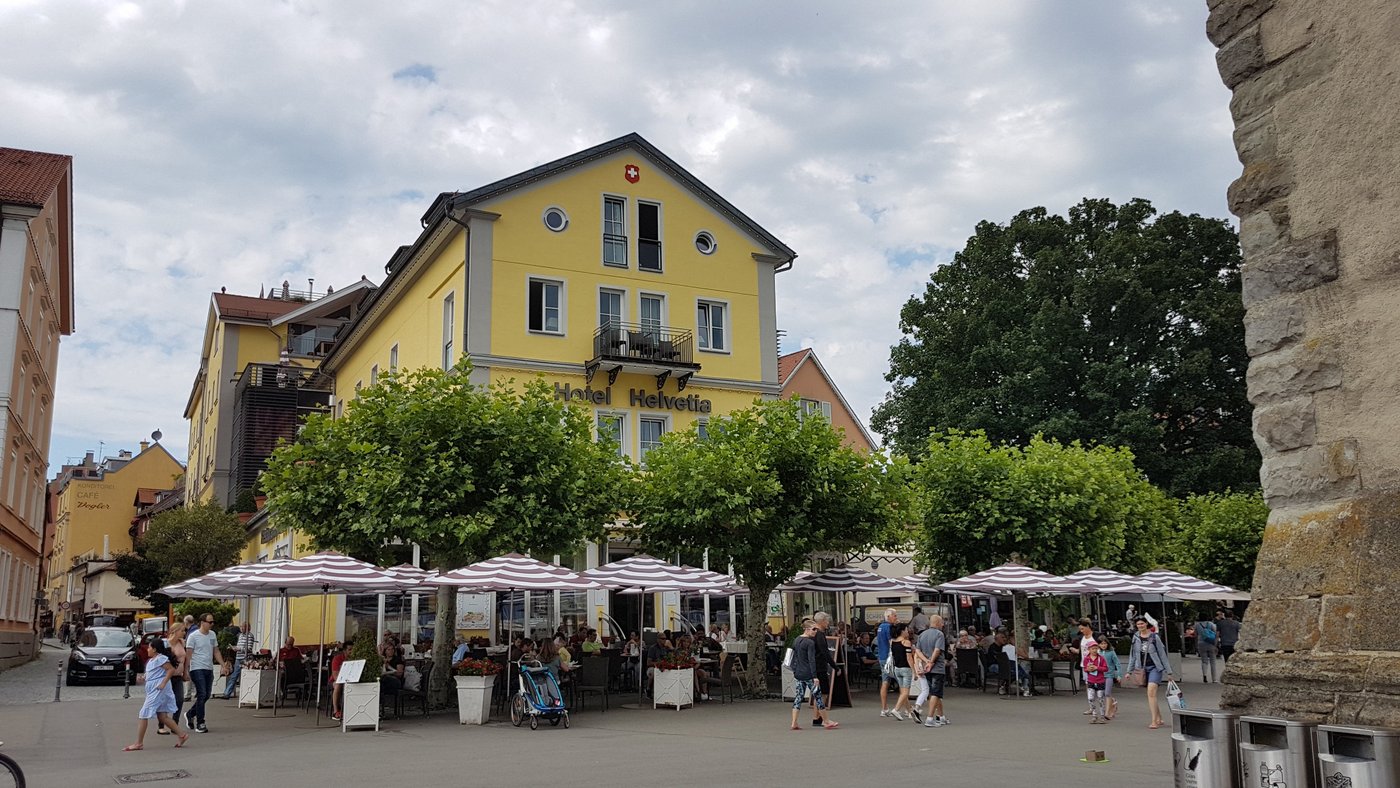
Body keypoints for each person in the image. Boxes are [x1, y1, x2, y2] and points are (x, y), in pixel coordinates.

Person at [124, 638, 190, 751]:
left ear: (154, 649)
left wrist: (163, 683)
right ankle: (182, 735)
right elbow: (153, 673)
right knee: (162, 716)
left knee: (143, 714)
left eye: (149, 647)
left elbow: (170, 670)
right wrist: (144, 677)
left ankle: (139, 743)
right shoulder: (152, 660)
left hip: (158, 689)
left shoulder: (161, 659)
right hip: (155, 688)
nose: (148, 649)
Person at [789, 619, 838, 730]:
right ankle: (826, 721)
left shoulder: (796, 640)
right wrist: (815, 676)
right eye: (814, 629)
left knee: (798, 697)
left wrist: (795, 670)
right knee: (819, 697)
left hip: (799, 673)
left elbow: (793, 656)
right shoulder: (810, 642)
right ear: (807, 629)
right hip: (809, 674)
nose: (816, 631)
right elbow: (812, 660)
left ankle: (794, 722)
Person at [1126, 616, 1173, 729]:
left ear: (1147, 624)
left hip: (1155, 668)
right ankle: (1159, 717)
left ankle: (1154, 721)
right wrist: (1129, 670)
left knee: (1151, 692)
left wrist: (1169, 672)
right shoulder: (1135, 637)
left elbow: (1162, 655)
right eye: (1138, 624)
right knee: (1151, 695)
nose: (1140, 626)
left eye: (1142, 623)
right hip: (1142, 668)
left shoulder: (1154, 637)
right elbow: (1133, 654)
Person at [184, 614, 224, 734]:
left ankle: (190, 714)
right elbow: (188, 654)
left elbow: (215, 650)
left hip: (208, 667)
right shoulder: (193, 636)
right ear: (202, 622)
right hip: (197, 668)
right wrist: (185, 670)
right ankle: (200, 722)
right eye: (210, 622)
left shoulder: (212, 635)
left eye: (213, 622)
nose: (212, 624)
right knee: (202, 693)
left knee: (206, 695)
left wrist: (222, 664)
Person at [915, 613, 948, 727]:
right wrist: (932, 661)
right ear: (938, 623)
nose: (943, 624)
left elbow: (917, 651)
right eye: (942, 622)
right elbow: (937, 650)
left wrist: (926, 661)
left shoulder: (922, 634)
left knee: (935, 692)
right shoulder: (940, 634)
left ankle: (941, 717)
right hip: (937, 667)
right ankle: (930, 718)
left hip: (926, 667)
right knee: (935, 692)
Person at [807, 612, 840, 726]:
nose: (828, 623)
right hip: (820, 666)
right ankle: (819, 717)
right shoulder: (819, 634)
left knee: (818, 692)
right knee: (823, 692)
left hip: (813, 665)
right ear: (821, 621)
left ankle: (817, 717)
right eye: (826, 621)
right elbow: (825, 652)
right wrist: (835, 666)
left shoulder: (812, 633)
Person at [157, 622, 189, 736]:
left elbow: (185, 659)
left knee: (179, 699)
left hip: (178, 676)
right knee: (164, 700)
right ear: (175, 631)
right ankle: (161, 726)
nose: (184, 633)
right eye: (182, 630)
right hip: (166, 676)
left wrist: (185, 672)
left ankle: (174, 724)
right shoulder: (166, 644)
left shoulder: (182, 642)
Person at [887, 623, 917, 720]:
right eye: (906, 630)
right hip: (905, 669)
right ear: (902, 631)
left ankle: (909, 711)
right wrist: (914, 671)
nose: (908, 632)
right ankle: (896, 709)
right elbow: (909, 658)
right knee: (905, 692)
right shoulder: (906, 642)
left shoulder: (892, 641)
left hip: (897, 668)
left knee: (902, 691)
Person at [220, 622, 253, 700]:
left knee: (246, 676)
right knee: (234, 675)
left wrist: (239, 649)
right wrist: (234, 647)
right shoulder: (240, 635)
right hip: (238, 657)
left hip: (246, 658)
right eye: (241, 627)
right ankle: (226, 693)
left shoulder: (250, 636)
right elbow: (240, 645)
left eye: (243, 627)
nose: (241, 628)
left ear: (248, 628)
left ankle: (246, 693)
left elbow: (249, 648)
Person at [876, 608, 898, 718]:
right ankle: (908, 709)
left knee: (885, 681)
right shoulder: (889, 627)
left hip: (882, 656)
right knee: (902, 682)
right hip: (889, 657)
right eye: (894, 615)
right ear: (888, 616)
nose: (896, 617)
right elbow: (891, 642)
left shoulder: (880, 627)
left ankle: (884, 708)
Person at [1082, 640, 1110, 724]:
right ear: (1089, 650)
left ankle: (1102, 715)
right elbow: (1085, 669)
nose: (1094, 650)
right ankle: (1094, 715)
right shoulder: (1087, 659)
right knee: (1091, 698)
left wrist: (1097, 668)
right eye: (1092, 649)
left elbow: (1106, 668)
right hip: (1091, 680)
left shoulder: (1101, 658)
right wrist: (1088, 669)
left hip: (1100, 681)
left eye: (1095, 648)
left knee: (1100, 698)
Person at [1097, 635, 1121, 720]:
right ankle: (1113, 702)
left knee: (1107, 693)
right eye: (1101, 644)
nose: (1103, 645)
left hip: (1109, 675)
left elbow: (1117, 663)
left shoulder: (1111, 652)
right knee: (1102, 693)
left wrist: (1119, 674)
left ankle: (1106, 713)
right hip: (1100, 675)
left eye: (1105, 643)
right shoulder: (1098, 652)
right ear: (1098, 645)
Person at [1194, 612, 1219, 683]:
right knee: (1213, 661)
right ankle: (1214, 679)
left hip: (1201, 643)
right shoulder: (1211, 624)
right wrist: (1216, 644)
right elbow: (1215, 633)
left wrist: (1196, 645)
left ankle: (1204, 675)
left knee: (1204, 661)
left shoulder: (1197, 625)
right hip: (1211, 643)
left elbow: (1195, 635)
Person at [329, 641, 350, 720]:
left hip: (350, 680)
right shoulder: (337, 658)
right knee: (338, 684)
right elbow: (335, 675)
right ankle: (336, 711)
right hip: (336, 680)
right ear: (344, 650)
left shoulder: (355, 658)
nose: (352, 652)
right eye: (350, 649)